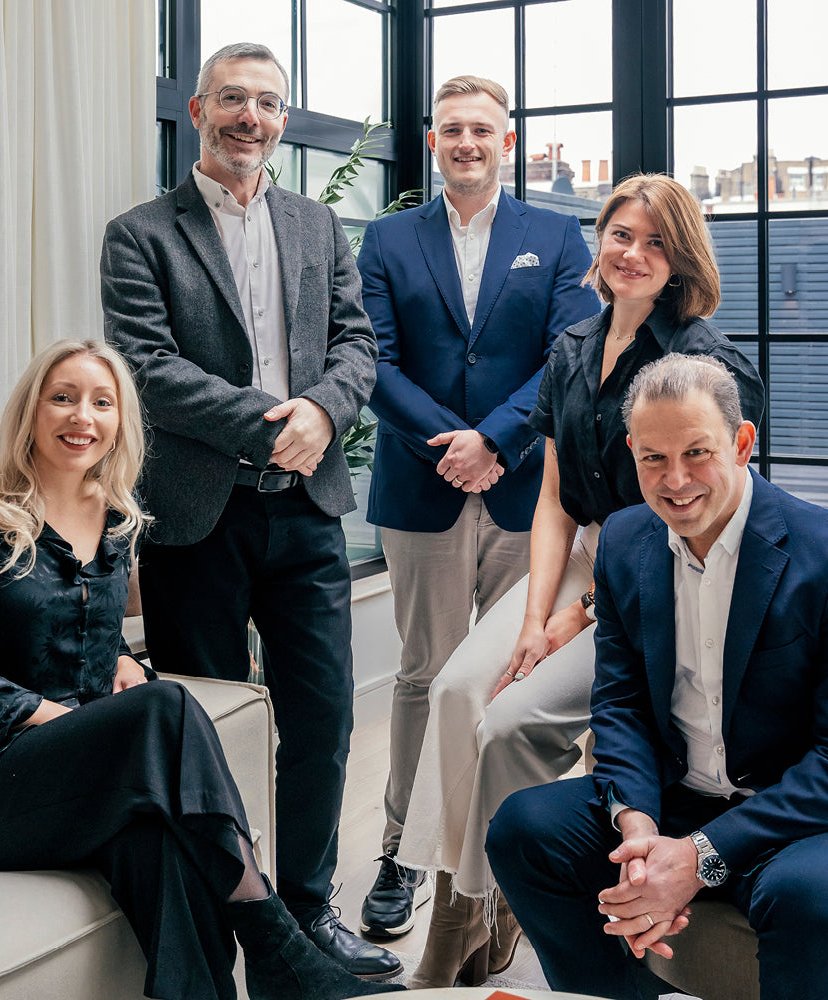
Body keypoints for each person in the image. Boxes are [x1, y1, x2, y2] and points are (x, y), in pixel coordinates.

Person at [0, 340, 404, 1000]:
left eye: (101, 402)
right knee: (166, 706)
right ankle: (279, 946)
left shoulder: (114, 522)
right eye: (63, 397)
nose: (82, 415)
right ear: (30, 411)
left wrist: (122, 663)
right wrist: (66, 718)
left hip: (82, 773)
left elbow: (83, 633)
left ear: (119, 422)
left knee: (162, 847)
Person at [394, 174, 765, 988]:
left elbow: (696, 517)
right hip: (584, 559)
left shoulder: (700, 361)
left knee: (512, 719)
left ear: (682, 260)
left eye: (657, 241)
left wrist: (582, 616)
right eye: (621, 235)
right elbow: (559, 493)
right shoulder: (572, 346)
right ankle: (464, 902)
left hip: (663, 580)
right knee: (460, 687)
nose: (634, 254)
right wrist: (535, 617)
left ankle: (492, 908)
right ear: (599, 241)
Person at [100, 43, 399, 978]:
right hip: (198, 515)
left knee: (323, 719)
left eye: (268, 104)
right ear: (198, 110)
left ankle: (308, 912)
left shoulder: (318, 225)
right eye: (234, 99)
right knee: (212, 721)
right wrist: (277, 423)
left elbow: (358, 346)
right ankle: (234, 915)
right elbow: (146, 367)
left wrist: (323, 410)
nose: (252, 118)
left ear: (281, 119)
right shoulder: (140, 232)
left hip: (307, 512)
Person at [487, 352, 828, 1000]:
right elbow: (619, 706)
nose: (675, 481)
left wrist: (698, 858)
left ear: (742, 442)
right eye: (653, 458)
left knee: (815, 898)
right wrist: (641, 833)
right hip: (681, 795)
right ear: (631, 452)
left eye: (697, 453)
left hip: (806, 814)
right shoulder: (622, 542)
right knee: (522, 829)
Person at [355, 74, 600, 941]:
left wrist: (495, 441)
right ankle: (399, 851)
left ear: (507, 141)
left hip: (525, 493)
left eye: (482, 130)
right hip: (419, 490)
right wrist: (450, 447)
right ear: (433, 141)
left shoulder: (557, 235)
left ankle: (502, 863)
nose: (467, 142)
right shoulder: (385, 239)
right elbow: (371, 361)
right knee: (423, 677)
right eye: (451, 129)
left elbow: (570, 354)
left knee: (510, 679)